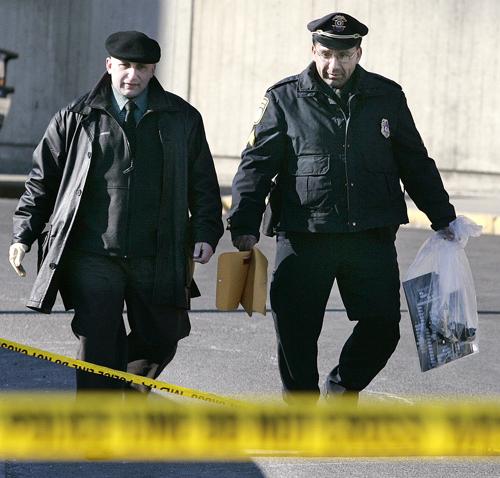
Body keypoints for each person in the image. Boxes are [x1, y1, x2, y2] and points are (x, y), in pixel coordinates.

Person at [228, 12, 456, 400]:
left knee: (383, 326)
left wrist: (443, 216)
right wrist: (243, 221)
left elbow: (414, 160)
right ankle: (300, 406)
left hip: (369, 235)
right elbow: (256, 164)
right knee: (296, 330)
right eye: (325, 54)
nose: (334, 65)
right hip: (305, 235)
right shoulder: (283, 99)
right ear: (313, 50)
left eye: (345, 55)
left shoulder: (387, 96)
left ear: (359, 53)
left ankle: (342, 387)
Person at [9, 31, 223, 391]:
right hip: (93, 255)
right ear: (109, 65)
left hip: (157, 254)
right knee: (97, 343)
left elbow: (203, 182)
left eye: (142, 67)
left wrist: (206, 231)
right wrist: (23, 235)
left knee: (162, 338)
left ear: (153, 69)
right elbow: (41, 182)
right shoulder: (75, 117)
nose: (132, 75)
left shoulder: (182, 118)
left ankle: (125, 390)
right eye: (124, 65)